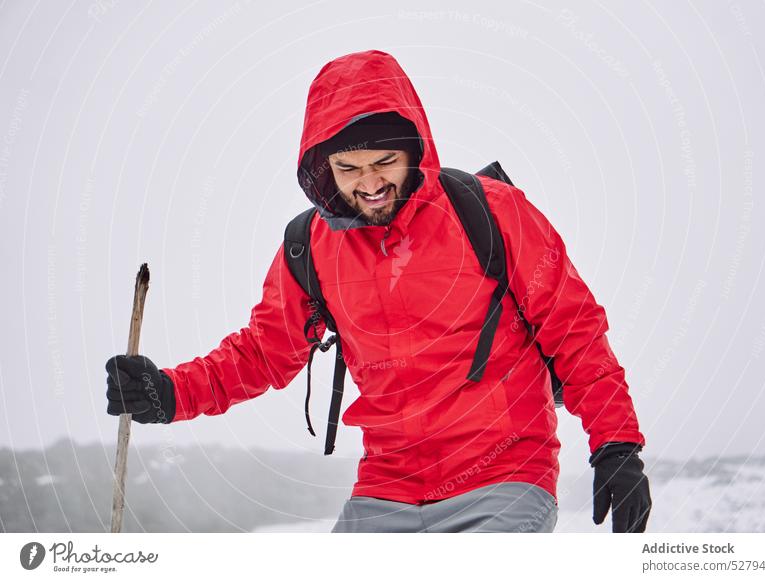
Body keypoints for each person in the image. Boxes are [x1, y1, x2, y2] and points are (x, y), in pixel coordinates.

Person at [105, 49, 651, 533]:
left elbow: (575, 331)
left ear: (415, 146)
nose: (369, 182)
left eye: (385, 161)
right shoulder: (310, 247)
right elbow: (263, 352)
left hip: (503, 480)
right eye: (349, 168)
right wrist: (170, 392)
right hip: (385, 491)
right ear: (323, 169)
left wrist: (616, 444)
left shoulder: (490, 211)